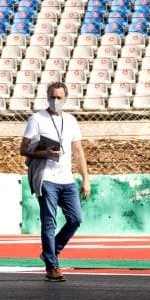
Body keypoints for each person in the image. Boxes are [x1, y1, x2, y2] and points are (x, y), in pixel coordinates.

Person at [20, 80, 89, 281]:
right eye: (52, 97)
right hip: (46, 177)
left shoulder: (71, 121)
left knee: (76, 219)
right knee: (49, 221)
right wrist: (44, 152)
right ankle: (52, 265)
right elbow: (23, 149)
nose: (55, 100)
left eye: (59, 97)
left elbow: (78, 150)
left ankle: (51, 251)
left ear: (66, 98)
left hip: (66, 179)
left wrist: (86, 178)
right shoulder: (37, 119)